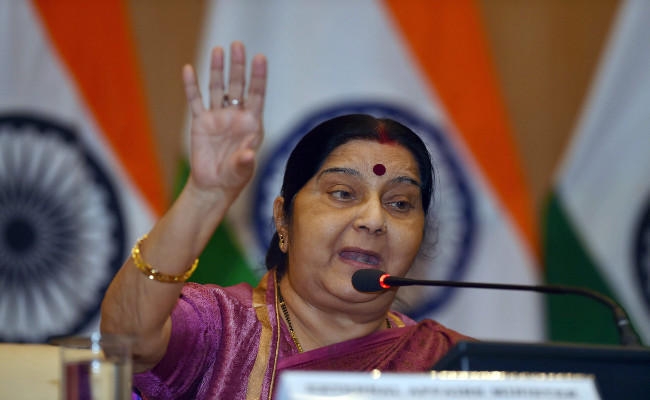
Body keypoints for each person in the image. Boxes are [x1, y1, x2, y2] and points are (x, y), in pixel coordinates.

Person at [100, 41, 472, 400]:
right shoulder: (220, 331)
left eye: (400, 203)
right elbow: (126, 341)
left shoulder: (450, 366)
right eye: (343, 193)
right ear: (283, 220)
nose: (374, 219)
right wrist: (205, 195)